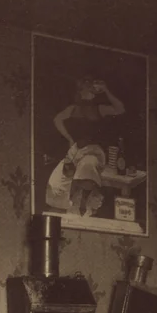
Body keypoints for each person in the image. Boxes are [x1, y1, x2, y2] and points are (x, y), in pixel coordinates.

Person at [46, 77, 124, 217]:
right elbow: (57, 120)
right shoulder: (73, 109)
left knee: (87, 166)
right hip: (77, 151)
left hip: (94, 152)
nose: (91, 89)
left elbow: (120, 109)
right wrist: (69, 138)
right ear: (81, 90)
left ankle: (84, 204)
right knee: (58, 181)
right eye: (87, 86)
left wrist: (106, 90)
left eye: (92, 87)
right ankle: (73, 206)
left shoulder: (99, 109)